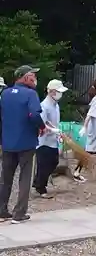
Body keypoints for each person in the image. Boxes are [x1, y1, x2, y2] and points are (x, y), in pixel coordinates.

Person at [0, 65, 45, 224]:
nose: (34, 79)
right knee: (25, 177)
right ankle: (19, 213)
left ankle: (2, 210)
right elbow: (34, 114)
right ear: (25, 77)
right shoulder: (30, 94)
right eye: (32, 75)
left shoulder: (4, 94)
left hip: (7, 142)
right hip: (26, 141)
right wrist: (41, 126)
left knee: (5, 177)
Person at [32, 79, 68, 198]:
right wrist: (53, 130)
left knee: (54, 162)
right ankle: (41, 188)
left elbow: (51, 122)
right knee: (44, 164)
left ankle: (38, 182)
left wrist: (57, 131)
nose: (60, 94)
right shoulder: (44, 106)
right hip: (43, 141)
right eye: (58, 92)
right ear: (52, 92)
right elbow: (42, 123)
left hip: (52, 140)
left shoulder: (55, 105)